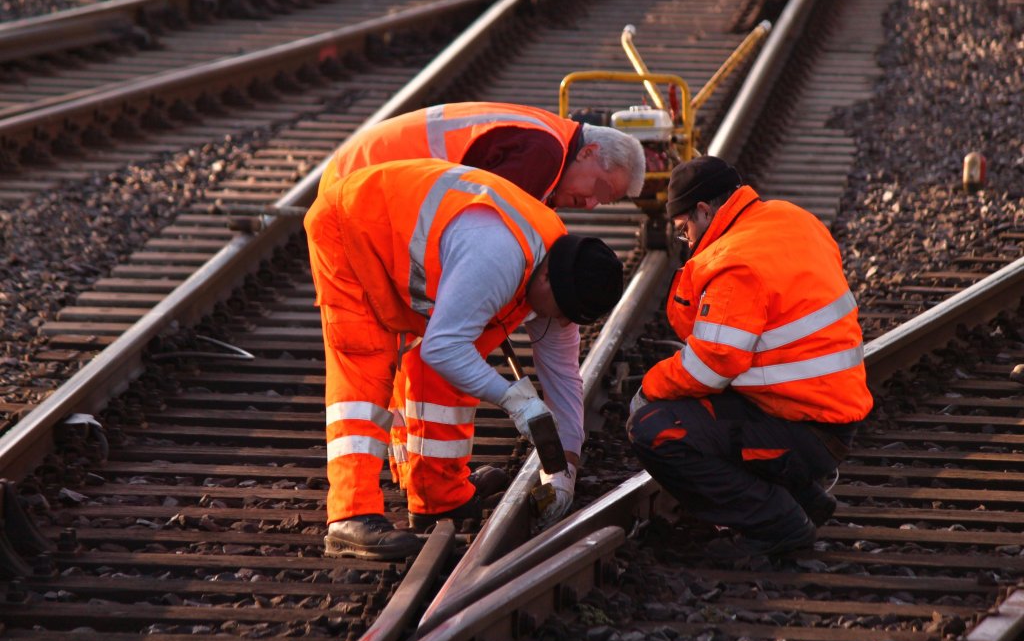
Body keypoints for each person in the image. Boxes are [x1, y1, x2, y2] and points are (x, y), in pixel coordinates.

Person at [304, 158, 624, 560]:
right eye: (559, 310)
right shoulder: (499, 259)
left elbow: (564, 381)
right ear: (545, 281)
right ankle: (351, 515)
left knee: (449, 371)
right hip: (352, 224)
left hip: (405, 238)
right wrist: (513, 399)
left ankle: (438, 498)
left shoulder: (562, 275)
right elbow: (443, 347)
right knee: (366, 366)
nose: (558, 321)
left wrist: (564, 473)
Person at [627, 156, 873, 559]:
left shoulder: (735, 262)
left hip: (804, 428)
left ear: (704, 211)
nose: (686, 241)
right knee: (703, 404)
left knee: (654, 427)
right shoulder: (791, 218)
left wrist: (648, 389)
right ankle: (805, 498)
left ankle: (778, 524)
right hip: (824, 412)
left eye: (684, 229)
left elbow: (709, 365)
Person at [317, 101, 646, 210]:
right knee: (367, 342)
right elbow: (490, 233)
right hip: (358, 185)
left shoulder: (550, 137)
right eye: (600, 190)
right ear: (588, 152)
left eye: (603, 202)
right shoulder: (544, 155)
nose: (591, 204)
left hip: (361, 173)